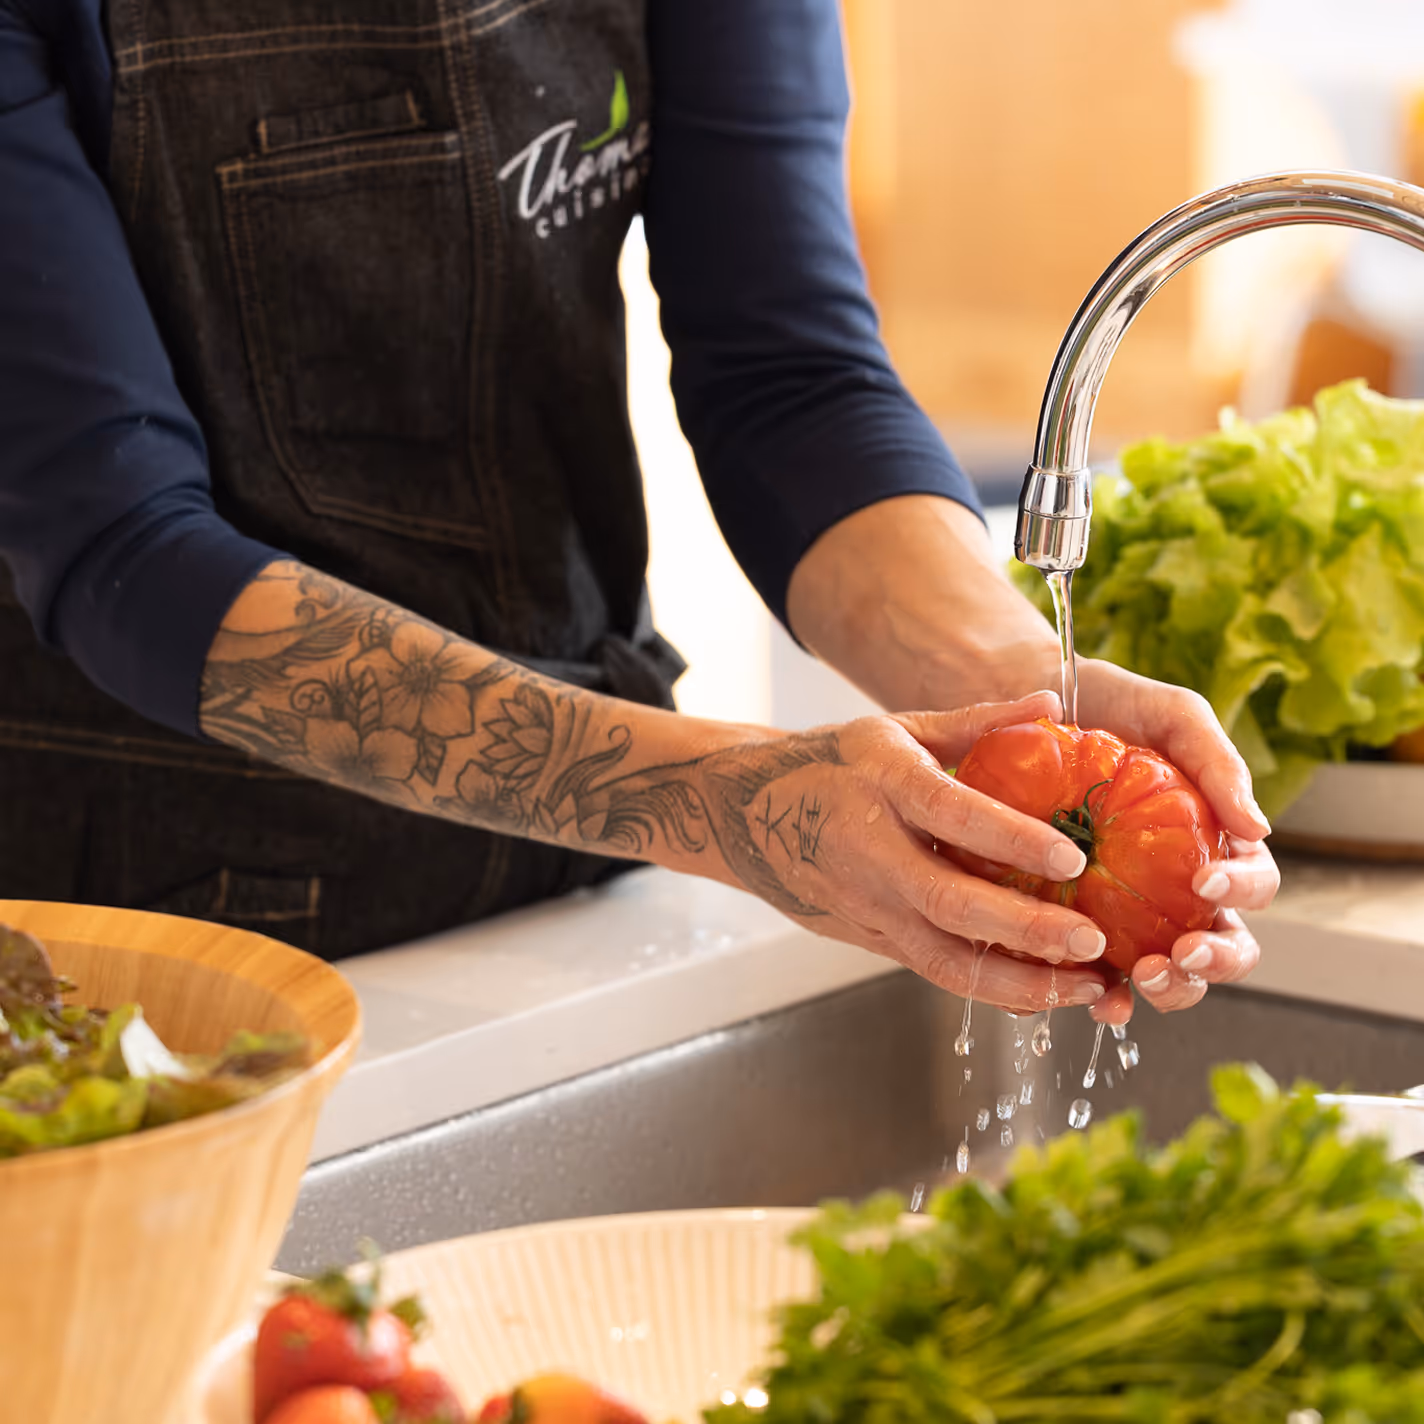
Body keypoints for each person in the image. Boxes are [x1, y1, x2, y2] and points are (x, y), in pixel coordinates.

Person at [0, 0, 1277, 1023]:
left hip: (564, 892)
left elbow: (785, 376)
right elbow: (122, 550)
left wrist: (1018, 697)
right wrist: (721, 798)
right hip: (155, 941)